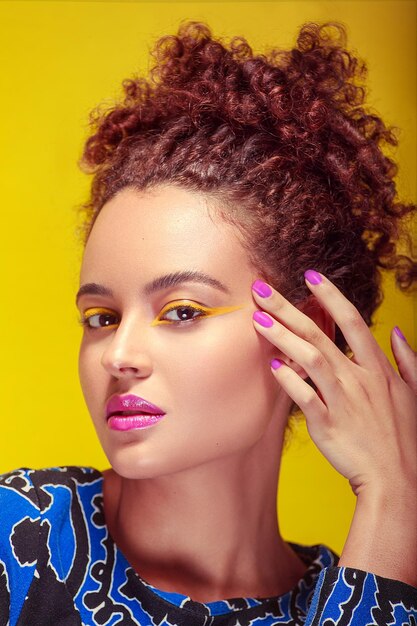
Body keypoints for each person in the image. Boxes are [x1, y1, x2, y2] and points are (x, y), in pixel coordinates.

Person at [0, 20, 416, 626]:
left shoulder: (374, 585)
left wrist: (393, 503)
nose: (120, 354)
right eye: (102, 317)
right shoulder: (20, 543)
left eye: (182, 311)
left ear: (308, 332)